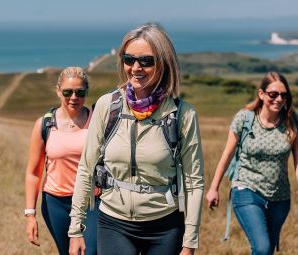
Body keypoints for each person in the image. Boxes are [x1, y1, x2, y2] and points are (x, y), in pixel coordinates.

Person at [68, 23, 204, 255]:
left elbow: (194, 181)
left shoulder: (183, 114)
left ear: (164, 63)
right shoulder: (106, 106)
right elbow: (86, 168)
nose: (135, 68)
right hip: (113, 222)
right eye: (129, 59)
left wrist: (190, 242)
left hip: (165, 226)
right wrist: (76, 230)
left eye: (146, 61)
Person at [206, 72, 298, 255]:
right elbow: (227, 155)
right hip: (246, 190)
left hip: (280, 197)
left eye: (284, 95)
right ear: (261, 94)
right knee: (262, 249)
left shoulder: (291, 121)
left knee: (267, 250)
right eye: (273, 94)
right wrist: (214, 188)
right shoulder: (245, 119)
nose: (279, 99)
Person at [24, 67, 98, 255]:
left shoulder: (98, 121)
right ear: (58, 91)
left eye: (80, 92)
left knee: (89, 252)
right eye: (68, 92)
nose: (74, 97)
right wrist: (30, 215)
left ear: (86, 93)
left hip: (92, 203)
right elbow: (33, 173)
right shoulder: (44, 124)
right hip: (55, 203)